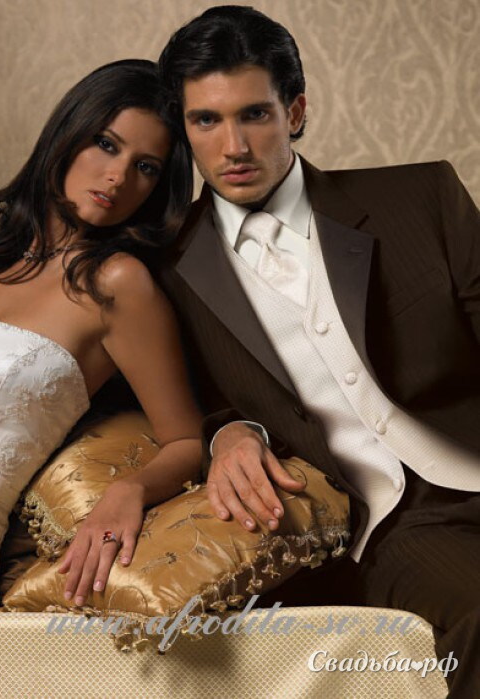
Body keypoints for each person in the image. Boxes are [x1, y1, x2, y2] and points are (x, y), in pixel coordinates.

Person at [158, 6, 480, 697]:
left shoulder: (419, 197)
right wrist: (229, 435)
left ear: (295, 112)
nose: (234, 146)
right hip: (390, 521)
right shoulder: (166, 270)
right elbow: (179, 407)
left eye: (255, 114)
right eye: (206, 120)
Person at [0, 59, 202, 605]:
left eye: (146, 167)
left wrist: (128, 490)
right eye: (106, 145)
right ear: (69, 132)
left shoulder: (118, 285)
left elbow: (185, 441)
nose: (118, 176)